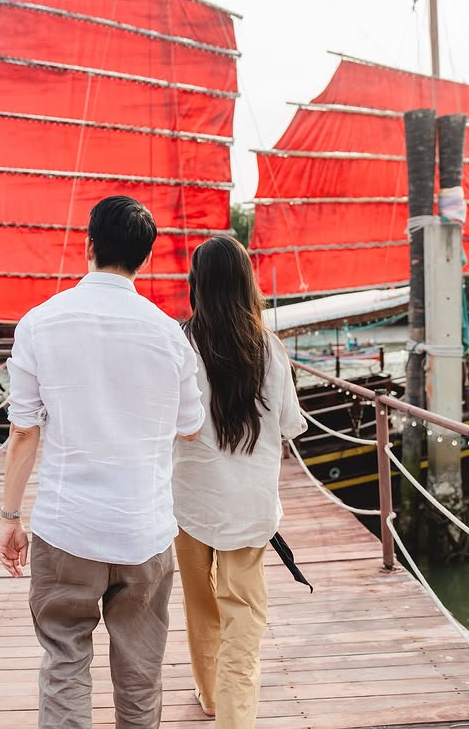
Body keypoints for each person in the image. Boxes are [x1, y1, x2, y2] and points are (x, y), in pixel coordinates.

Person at [0, 195, 205, 729]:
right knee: (140, 672)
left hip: (66, 527)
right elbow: (190, 425)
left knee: (64, 662)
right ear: (145, 257)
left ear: (88, 245)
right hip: (145, 531)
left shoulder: (39, 323)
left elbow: (24, 430)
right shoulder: (170, 334)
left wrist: (11, 517)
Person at [172, 235, 307, 729]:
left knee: (200, 605)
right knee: (243, 617)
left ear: (196, 284)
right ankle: (233, 719)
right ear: (247, 283)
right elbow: (289, 425)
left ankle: (210, 696)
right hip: (249, 506)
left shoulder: (179, 344)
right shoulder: (268, 347)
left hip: (188, 500)